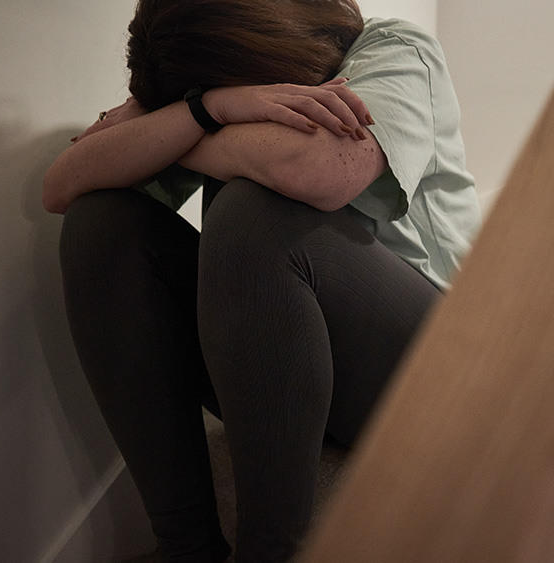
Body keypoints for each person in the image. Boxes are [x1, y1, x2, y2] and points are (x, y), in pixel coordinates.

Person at [43, 0, 480, 561]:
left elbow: (320, 171)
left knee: (257, 212)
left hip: (437, 368)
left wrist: (180, 128)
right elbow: (61, 188)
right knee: (101, 224)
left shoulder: (394, 48)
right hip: (295, 368)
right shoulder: (222, 92)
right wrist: (209, 109)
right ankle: (185, 547)